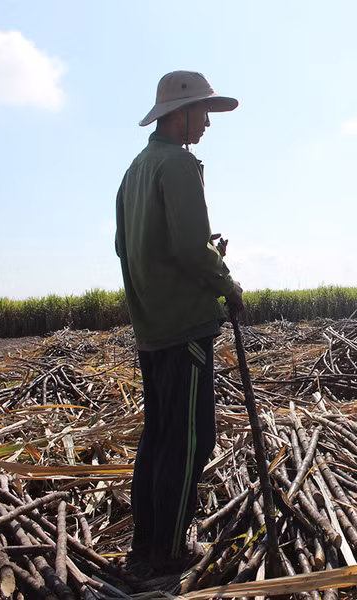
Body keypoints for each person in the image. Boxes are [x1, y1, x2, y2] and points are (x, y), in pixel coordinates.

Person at [115, 70, 244, 575]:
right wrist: (227, 282)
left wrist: (201, 253)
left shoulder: (136, 170)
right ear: (180, 113)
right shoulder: (177, 165)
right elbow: (189, 248)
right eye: (203, 112)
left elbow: (129, 248)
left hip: (151, 327)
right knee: (191, 439)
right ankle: (169, 552)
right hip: (184, 325)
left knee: (159, 435)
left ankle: (145, 543)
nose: (208, 123)